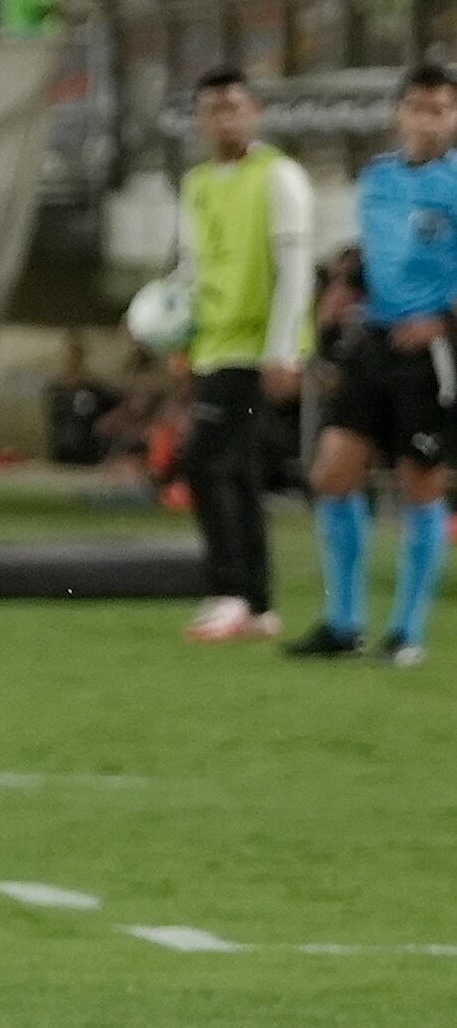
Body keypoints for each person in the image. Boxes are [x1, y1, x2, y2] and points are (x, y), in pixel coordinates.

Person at [288, 62, 457, 667]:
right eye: (419, 108)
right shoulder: (378, 179)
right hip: (375, 345)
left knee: (420, 486)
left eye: (442, 109)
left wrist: (442, 322)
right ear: (400, 113)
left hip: (432, 354)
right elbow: (381, 252)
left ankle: (406, 632)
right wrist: (347, 285)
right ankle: (344, 621)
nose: (430, 120)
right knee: (332, 474)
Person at [173, 67, 312, 644]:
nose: (223, 119)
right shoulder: (199, 183)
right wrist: (176, 336)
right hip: (212, 346)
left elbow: (295, 268)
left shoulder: (279, 176)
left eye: (233, 106)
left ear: (253, 111)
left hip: (254, 352)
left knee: (206, 463)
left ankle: (229, 591)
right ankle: (256, 603)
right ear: (201, 120)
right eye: (212, 109)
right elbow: (189, 268)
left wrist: (283, 350)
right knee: (241, 471)